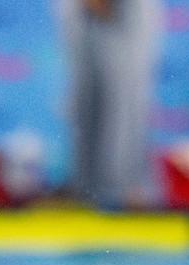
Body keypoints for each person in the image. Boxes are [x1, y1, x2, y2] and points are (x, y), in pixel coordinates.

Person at [60, 0, 164, 209]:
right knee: (87, 103)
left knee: (124, 100)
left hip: (123, 15)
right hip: (87, 16)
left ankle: (127, 191)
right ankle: (88, 190)